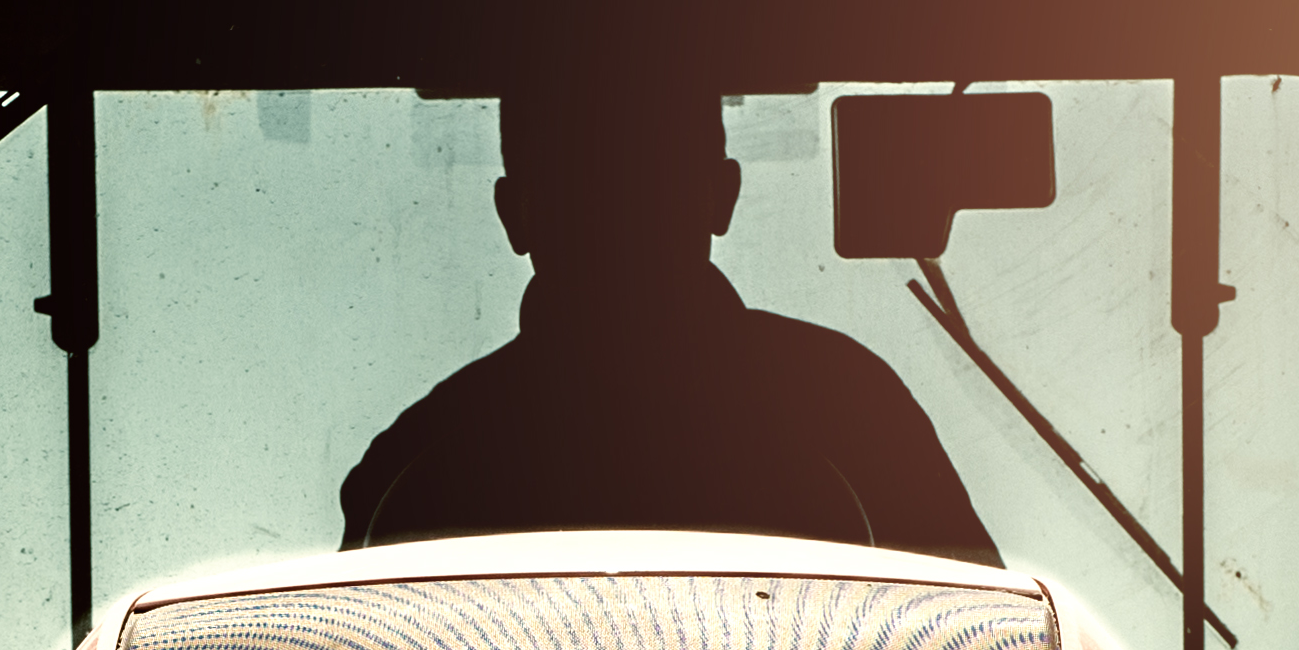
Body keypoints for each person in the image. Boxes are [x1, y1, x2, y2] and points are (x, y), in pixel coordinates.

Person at [339, 87, 1000, 560]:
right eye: (590, 184)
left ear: (513, 214)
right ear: (723, 196)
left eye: (646, 181)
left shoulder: (416, 463)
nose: (621, 215)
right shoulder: (849, 405)